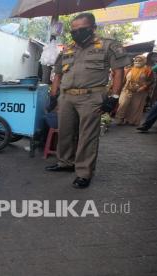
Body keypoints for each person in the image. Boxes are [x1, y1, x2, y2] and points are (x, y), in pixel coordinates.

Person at [45, 13, 131, 189]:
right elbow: (58, 74)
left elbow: (119, 73)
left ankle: (84, 173)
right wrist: (53, 96)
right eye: (73, 30)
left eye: (81, 29)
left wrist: (114, 97)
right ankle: (65, 163)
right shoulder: (69, 48)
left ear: (93, 28)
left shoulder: (108, 45)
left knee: (87, 136)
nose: (77, 33)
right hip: (66, 96)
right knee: (65, 132)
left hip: (91, 97)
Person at [115, 55, 154, 126]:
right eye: (136, 61)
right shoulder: (129, 69)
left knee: (135, 106)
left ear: (144, 61)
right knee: (123, 104)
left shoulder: (148, 70)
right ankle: (119, 119)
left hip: (140, 91)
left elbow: (151, 81)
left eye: (140, 61)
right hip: (127, 90)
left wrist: (143, 87)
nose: (137, 62)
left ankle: (131, 120)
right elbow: (123, 80)